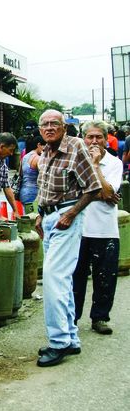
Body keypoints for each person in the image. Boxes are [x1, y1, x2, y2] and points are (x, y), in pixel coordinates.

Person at [34, 110, 102, 367]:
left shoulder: (76, 147)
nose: (49, 127)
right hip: (50, 218)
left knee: (52, 278)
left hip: (67, 217)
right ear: (40, 130)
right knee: (61, 280)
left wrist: (72, 214)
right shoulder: (47, 151)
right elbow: (45, 187)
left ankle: (59, 342)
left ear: (64, 127)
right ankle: (71, 338)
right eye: (45, 124)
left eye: (54, 124)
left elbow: (93, 188)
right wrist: (40, 214)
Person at [72, 120, 122, 335]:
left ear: (106, 138)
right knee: (75, 278)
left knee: (105, 277)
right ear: (84, 139)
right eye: (90, 137)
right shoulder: (74, 161)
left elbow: (110, 192)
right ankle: (72, 318)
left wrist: (94, 165)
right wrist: (103, 193)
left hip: (105, 230)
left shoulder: (114, 163)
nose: (94, 141)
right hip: (79, 229)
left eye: (98, 137)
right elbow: (103, 194)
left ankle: (100, 318)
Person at [19, 135, 46, 206]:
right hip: (34, 193)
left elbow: (20, 174)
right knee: (33, 215)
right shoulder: (38, 158)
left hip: (23, 192)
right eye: (44, 146)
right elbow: (44, 175)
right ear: (39, 145)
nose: (45, 148)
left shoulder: (25, 157)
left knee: (27, 215)